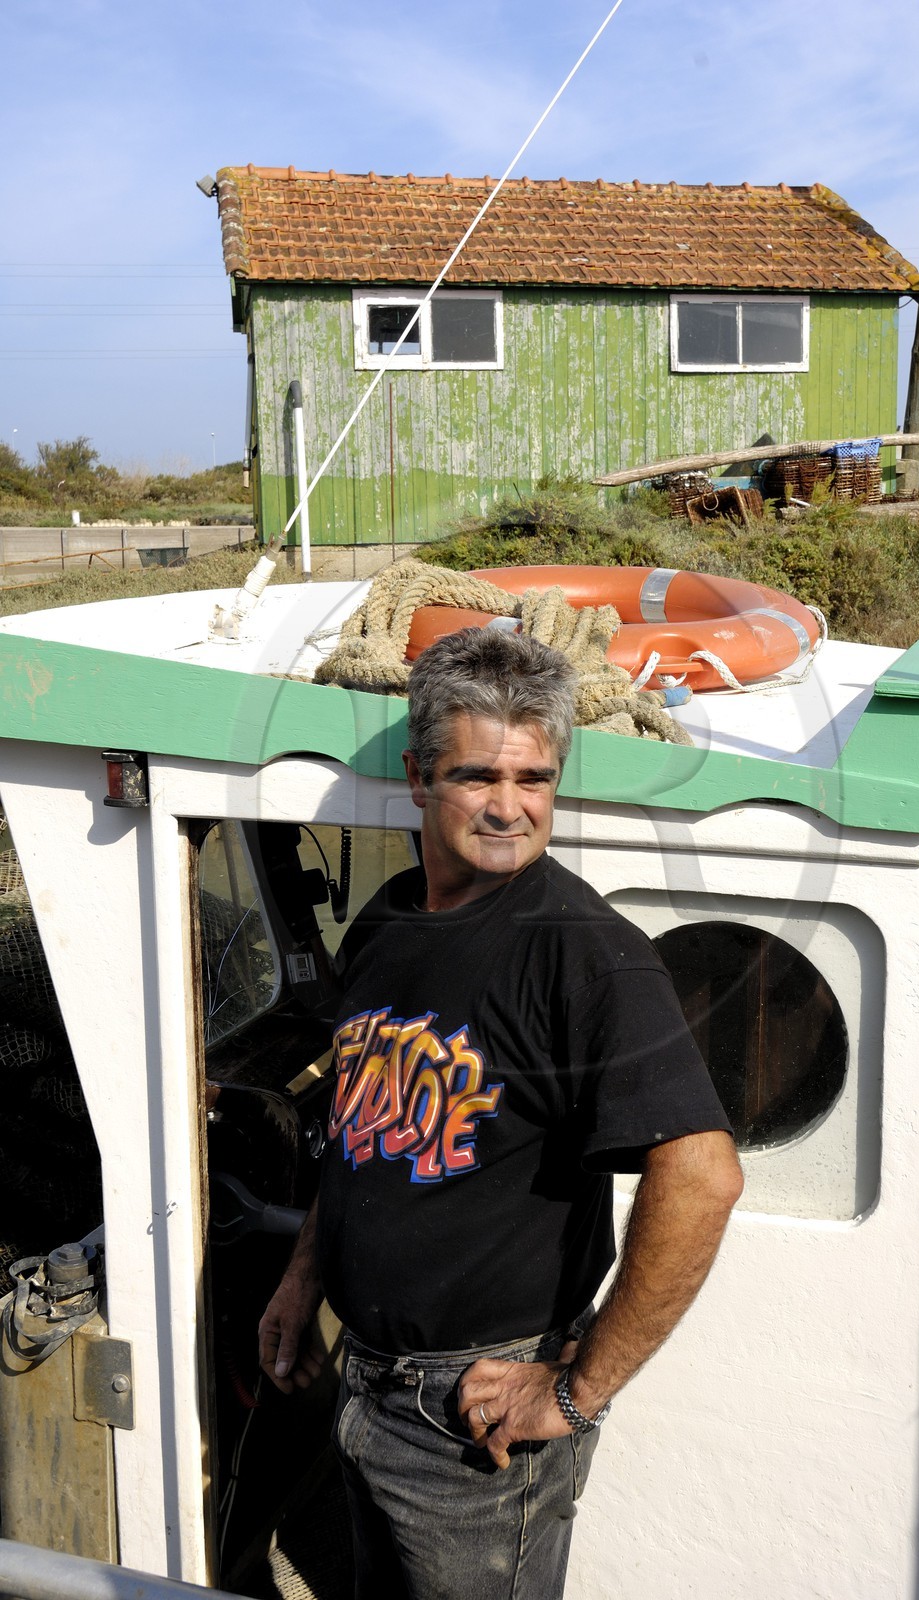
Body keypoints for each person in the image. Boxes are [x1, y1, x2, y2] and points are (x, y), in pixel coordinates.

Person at [259, 627, 743, 1600]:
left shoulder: (584, 953)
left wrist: (574, 1388)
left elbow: (703, 1175)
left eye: (535, 778)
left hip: (474, 1422)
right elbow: (363, 1127)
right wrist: (304, 1275)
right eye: (477, 775)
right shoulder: (386, 922)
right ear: (418, 777)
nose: (509, 806)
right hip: (364, 1379)